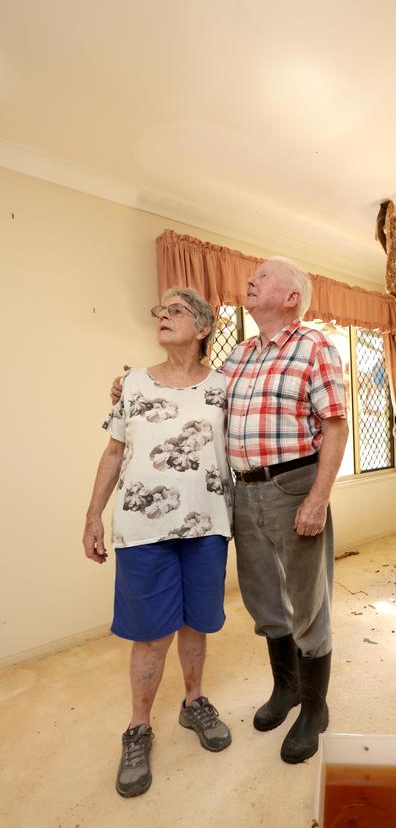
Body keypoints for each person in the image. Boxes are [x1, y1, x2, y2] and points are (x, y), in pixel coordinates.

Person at [111, 258, 348, 764]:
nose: (252, 281)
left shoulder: (315, 346)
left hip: (295, 484)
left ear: (290, 297)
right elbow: (193, 391)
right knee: (264, 599)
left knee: (307, 601)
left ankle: (315, 708)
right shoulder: (239, 357)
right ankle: (286, 689)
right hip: (243, 492)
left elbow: (334, 425)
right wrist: (129, 384)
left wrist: (319, 498)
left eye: (263, 277)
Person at [85, 287, 234, 798]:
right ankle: (138, 728)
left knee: (197, 623)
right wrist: (92, 517)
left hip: (208, 525)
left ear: (202, 328)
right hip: (142, 530)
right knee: (150, 633)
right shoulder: (131, 383)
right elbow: (112, 453)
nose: (163, 317)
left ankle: (193, 704)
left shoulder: (224, 386)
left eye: (176, 311)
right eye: (160, 312)